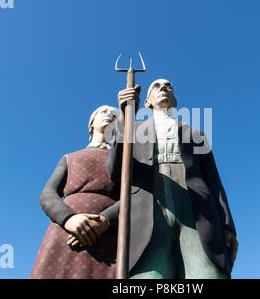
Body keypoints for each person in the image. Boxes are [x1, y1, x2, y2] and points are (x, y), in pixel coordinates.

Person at [100, 79, 238, 279]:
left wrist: (227, 225)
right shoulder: (133, 129)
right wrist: (124, 118)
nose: (163, 88)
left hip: (197, 213)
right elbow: (115, 172)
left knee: (208, 275)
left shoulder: (196, 135)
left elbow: (214, 183)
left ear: (175, 100)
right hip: (148, 212)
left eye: (168, 86)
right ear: (147, 101)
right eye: (156, 86)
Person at [30, 105, 119, 279]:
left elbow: (136, 195)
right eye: (104, 111)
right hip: (64, 232)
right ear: (91, 124)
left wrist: (105, 220)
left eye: (115, 115)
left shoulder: (125, 162)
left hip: (111, 236)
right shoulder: (69, 158)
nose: (110, 115)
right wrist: (68, 218)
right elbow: (47, 194)